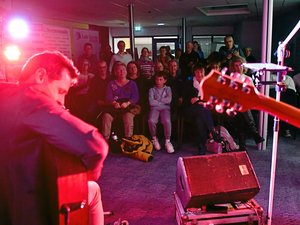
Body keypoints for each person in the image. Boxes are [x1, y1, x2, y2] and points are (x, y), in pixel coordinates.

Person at [0, 51, 108, 225]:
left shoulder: (4, 91)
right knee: (92, 188)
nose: (61, 102)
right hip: (26, 207)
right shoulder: (31, 101)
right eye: (60, 91)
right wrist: (88, 174)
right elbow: (94, 145)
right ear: (41, 75)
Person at [181, 64, 222, 155]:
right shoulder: (189, 83)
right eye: (197, 72)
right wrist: (194, 100)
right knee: (200, 108)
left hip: (204, 111)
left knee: (200, 119)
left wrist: (201, 101)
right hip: (190, 110)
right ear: (194, 73)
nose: (199, 74)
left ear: (204, 72)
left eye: (201, 72)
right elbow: (187, 100)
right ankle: (213, 131)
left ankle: (201, 148)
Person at [101, 61, 139, 140]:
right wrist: (114, 103)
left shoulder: (132, 83)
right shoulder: (111, 83)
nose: (121, 71)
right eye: (119, 70)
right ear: (115, 72)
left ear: (126, 71)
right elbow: (108, 96)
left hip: (128, 106)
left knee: (128, 117)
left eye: (123, 69)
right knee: (106, 117)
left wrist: (128, 103)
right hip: (114, 106)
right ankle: (105, 141)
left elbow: (135, 97)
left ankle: (128, 140)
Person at [148, 72, 175, 153]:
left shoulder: (168, 89)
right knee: (151, 121)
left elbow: (169, 100)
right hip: (154, 108)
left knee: (166, 121)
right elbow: (151, 102)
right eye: (157, 79)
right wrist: (161, 102)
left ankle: (167, 141)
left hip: (165, 108)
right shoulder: (152, 90)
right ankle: (154, 138)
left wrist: (157, 101)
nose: (158, 81)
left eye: (160, 80)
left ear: (165, 81)